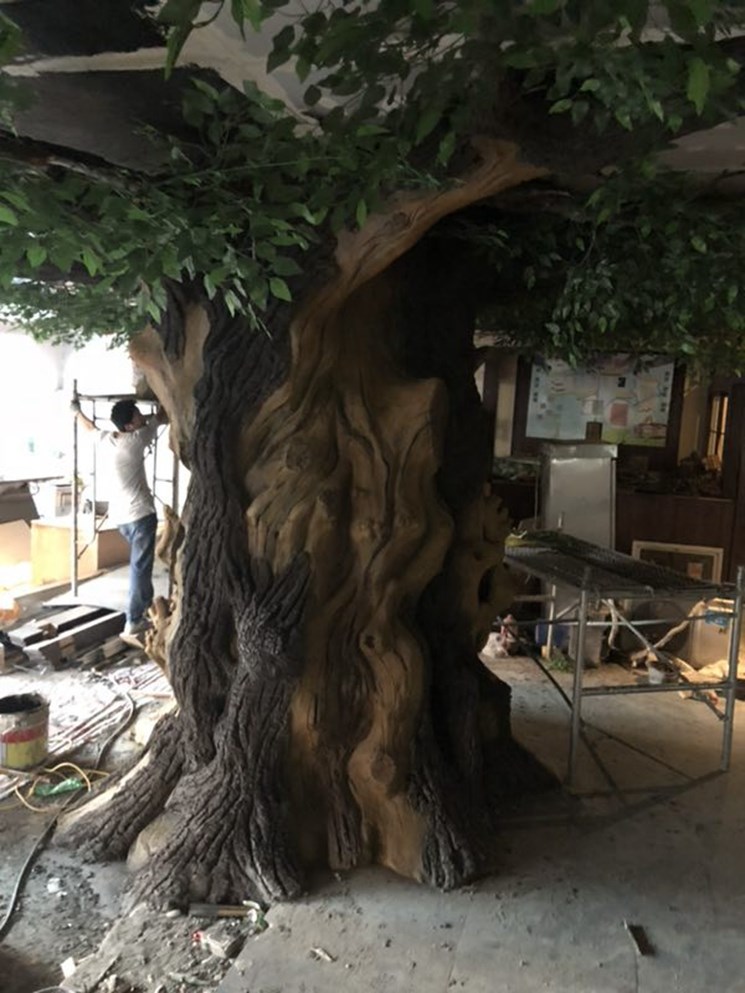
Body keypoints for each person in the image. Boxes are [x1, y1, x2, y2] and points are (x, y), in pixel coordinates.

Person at [71, 396, 167, 644]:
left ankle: (145, 608)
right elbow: (162, 416)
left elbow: (90, 428)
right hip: (141, 516)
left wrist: (76, 411)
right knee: (140, 569)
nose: (141, 417)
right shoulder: (136, 441)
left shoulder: (108, 439)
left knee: (140, 567)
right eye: (137, 415)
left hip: (121, 519)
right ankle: (133, 620)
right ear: (129, 426)